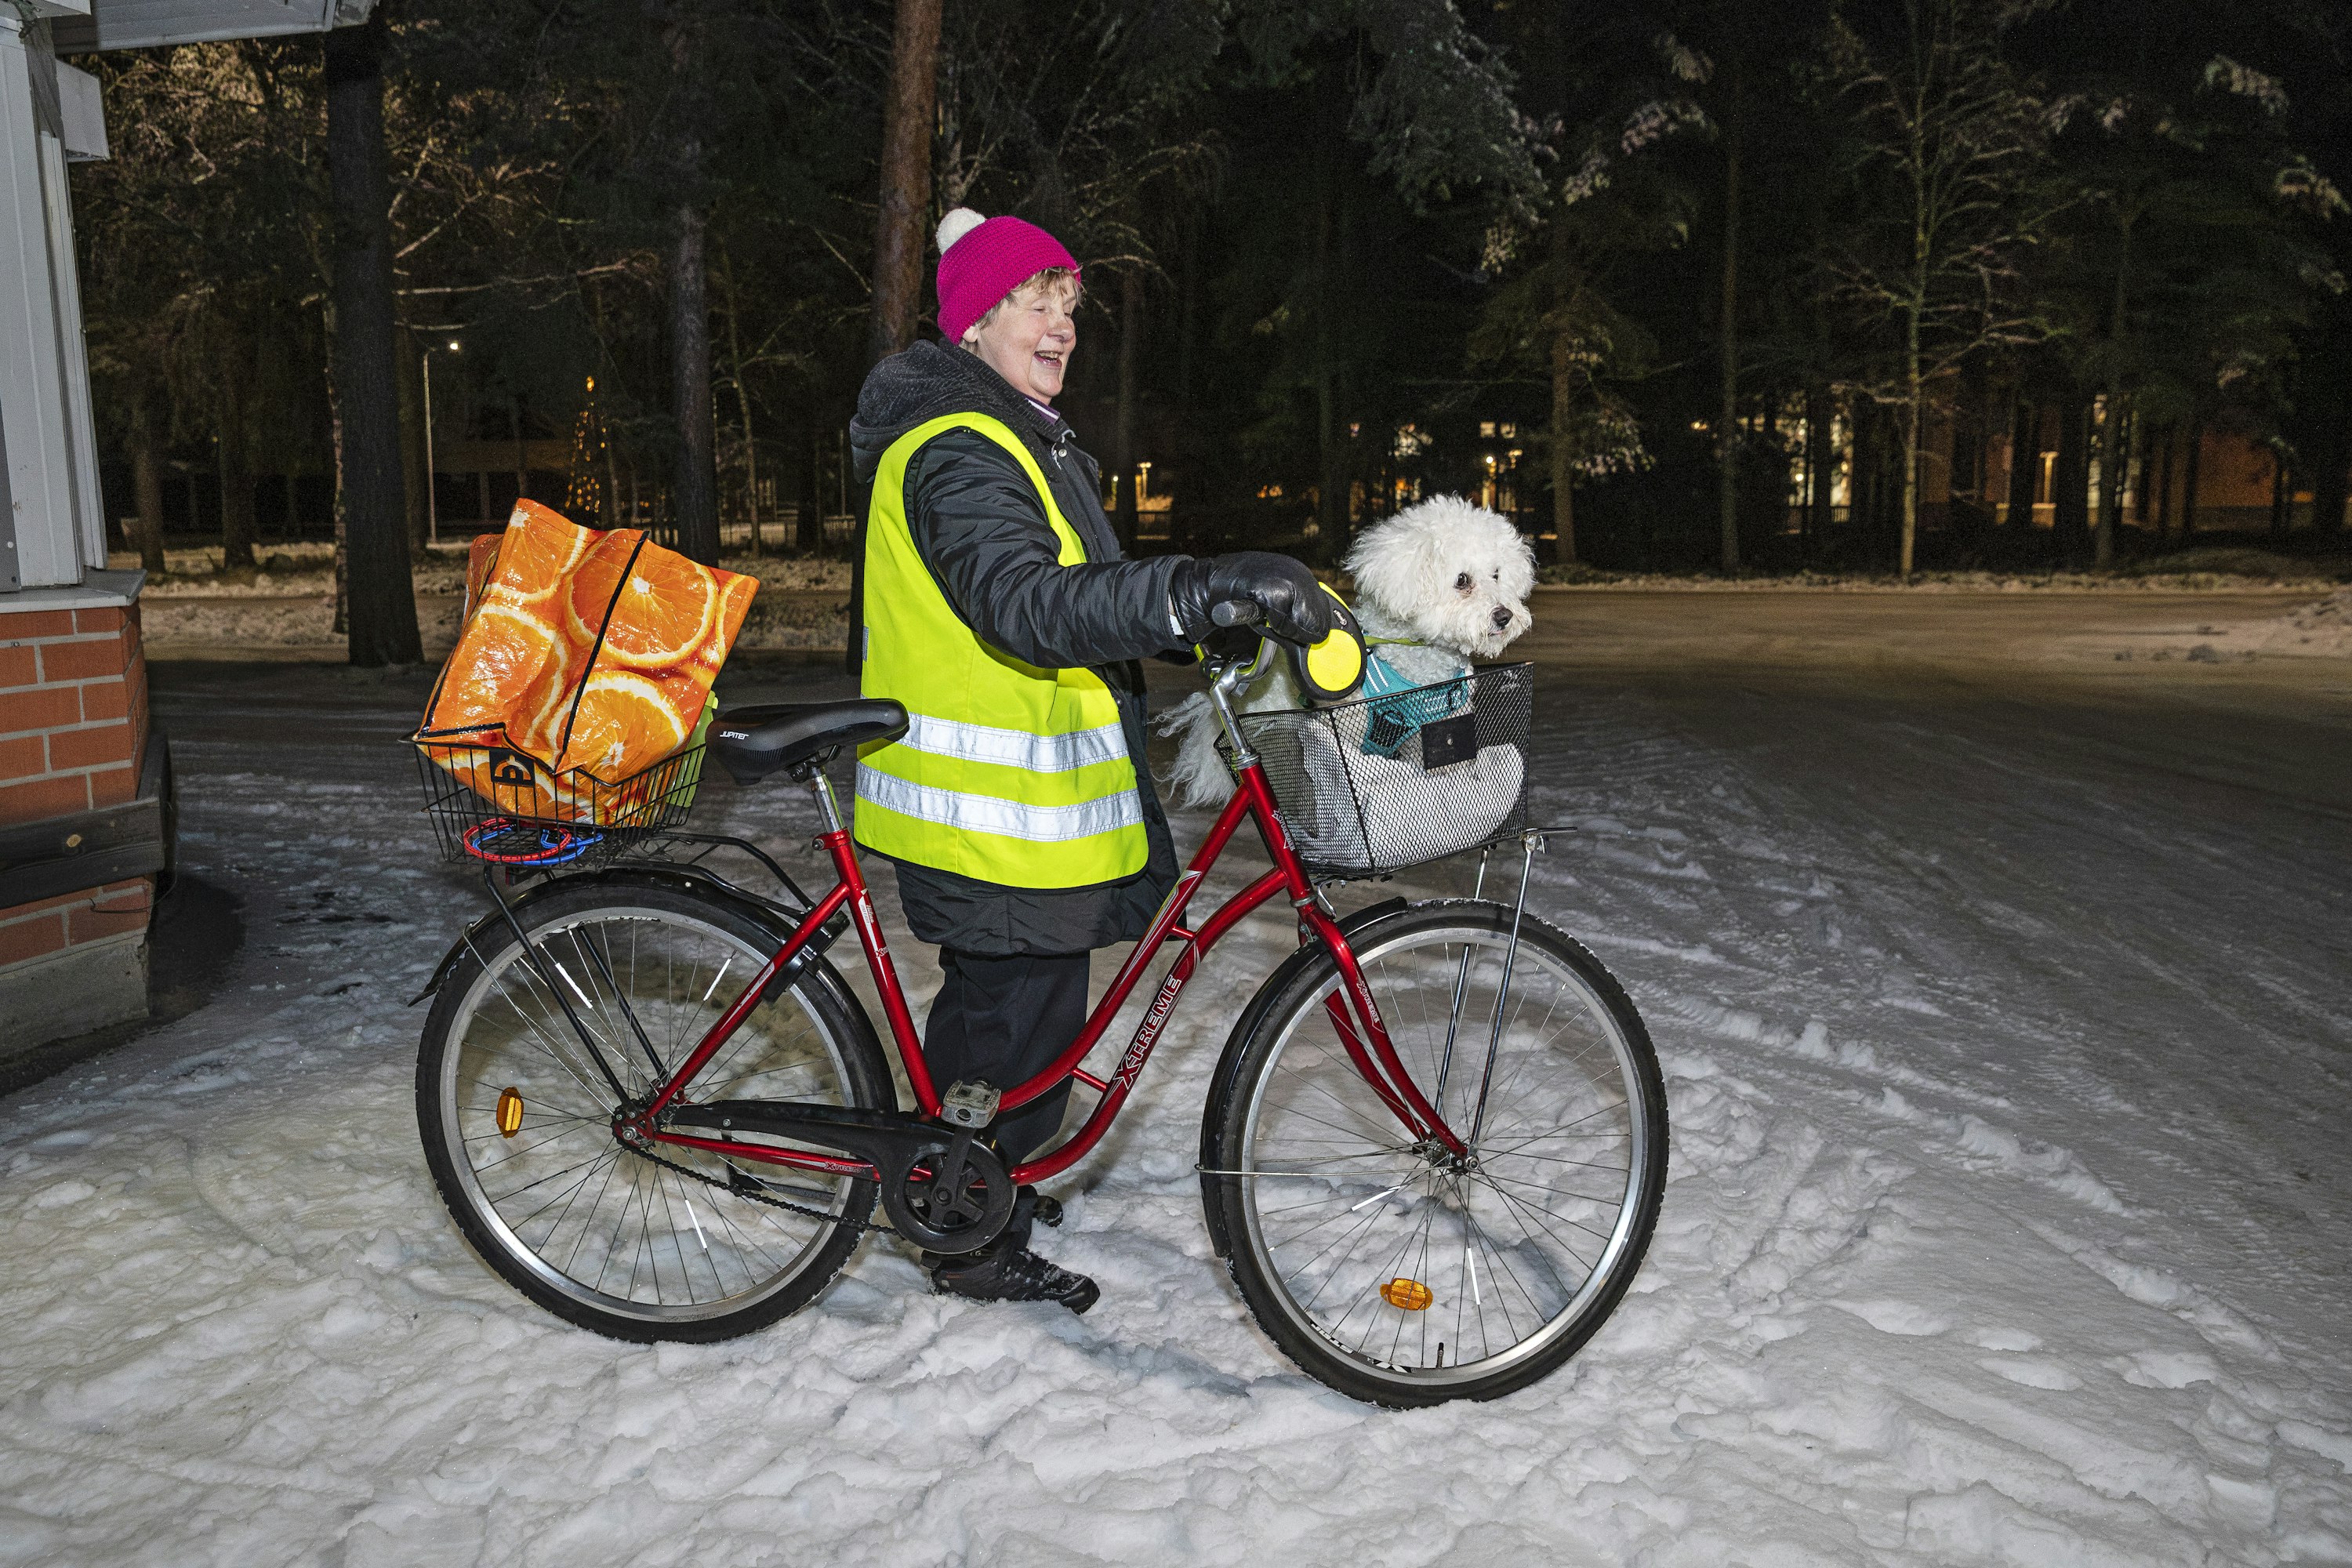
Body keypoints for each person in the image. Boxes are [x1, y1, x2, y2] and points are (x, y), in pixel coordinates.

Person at [848, 207, 1334, 1312]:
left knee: (1030, 1018)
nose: (1061, 326)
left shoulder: (1016, 435)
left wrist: (1196, 619)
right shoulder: (957, 448)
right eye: (1035, 300)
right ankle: (964, 1228)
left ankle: (989, 1176)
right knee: (1009, 1023)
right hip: (981, 808)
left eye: (1069, 307)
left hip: (1025, 811)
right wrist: (1197, 583)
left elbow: (1085, 594)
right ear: (972, 319)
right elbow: (1025, 603)